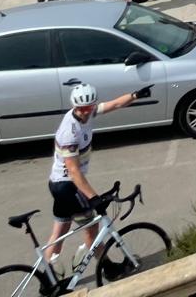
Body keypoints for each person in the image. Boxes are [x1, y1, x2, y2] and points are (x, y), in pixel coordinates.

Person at [45, 82, 149, 277]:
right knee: (92, 227)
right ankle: (108, 269)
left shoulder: (88, 113)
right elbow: (74, 172)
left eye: (89, 108)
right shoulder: (70, 131)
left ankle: (47, 279)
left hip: (58, 184)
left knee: (59, 231)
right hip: (67, 186)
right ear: (74, 106)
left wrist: (135, 95)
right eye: (82, 109)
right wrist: (94, 198)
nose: (86, 112)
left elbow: (114, 105)